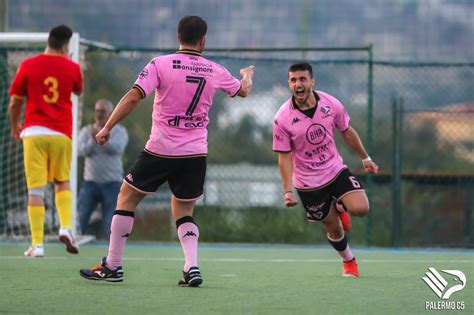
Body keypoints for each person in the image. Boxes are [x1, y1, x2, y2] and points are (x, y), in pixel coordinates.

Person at [79, 16, 254, 286]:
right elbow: (243, 91)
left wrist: (107, 127)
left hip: (160, 150)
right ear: (203, 40)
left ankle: (113, 266)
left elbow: (134, 95)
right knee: (184, 211)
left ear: (178, 37)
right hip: (195, 153)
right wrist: (246, 75)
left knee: (126, 198)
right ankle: (191, 267)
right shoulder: (214, 69)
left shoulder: (160, 64)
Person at [273, 62, 378, 277]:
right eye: (293, 80)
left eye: (302, 79)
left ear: (312, 81)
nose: (298, 84)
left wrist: (365, 158)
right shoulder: (283, 116)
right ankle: (349, 261)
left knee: (361, 209)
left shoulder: (330, 104)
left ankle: (340, 205)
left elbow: (347, 132)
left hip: (335, 170)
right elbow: (283, 157)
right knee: (333, 228)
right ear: (289, 84)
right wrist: (287, 191)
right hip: (308, 183)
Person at [8, 25, 83, 257]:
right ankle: (65, 227)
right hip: (61, 134)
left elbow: (14, 102)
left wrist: (15, 126)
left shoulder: (28, 65)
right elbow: (79, 91)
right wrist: (68, 62)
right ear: (64, 46)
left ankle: (37, 245)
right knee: (62, 182)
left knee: (36, 189)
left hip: (34, 133)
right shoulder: (72, 67)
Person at [77, 99, 128, 239]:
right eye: (97, 111)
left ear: (111, 113)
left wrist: (101, 138)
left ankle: (111, 253)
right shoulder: (86, 131)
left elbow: (117, 148)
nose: (99, 114)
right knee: (80, 217)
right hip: (90, 183)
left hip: (112, 183)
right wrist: (94, 140)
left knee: (109, 223)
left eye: (103, 111)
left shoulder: (119, 130)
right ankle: (73, 244)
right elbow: (80, 151)